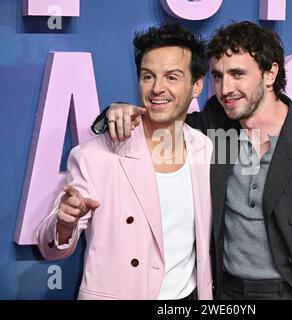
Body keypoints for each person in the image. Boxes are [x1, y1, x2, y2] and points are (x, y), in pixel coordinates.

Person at [92, 21, 292, 300]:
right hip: (225, 293)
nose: (225, 88)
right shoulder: (212, 126)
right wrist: (115, 111)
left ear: (270, 73)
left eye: (238, 74)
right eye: (218, 76)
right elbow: (160, 120)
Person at [37, 22, 214, 300]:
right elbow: (51, 247)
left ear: (197, 85)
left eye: (172, 77)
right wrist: (65, 222)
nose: (157, 88)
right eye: (147, 76)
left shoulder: (205, 149)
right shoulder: (95, 156)